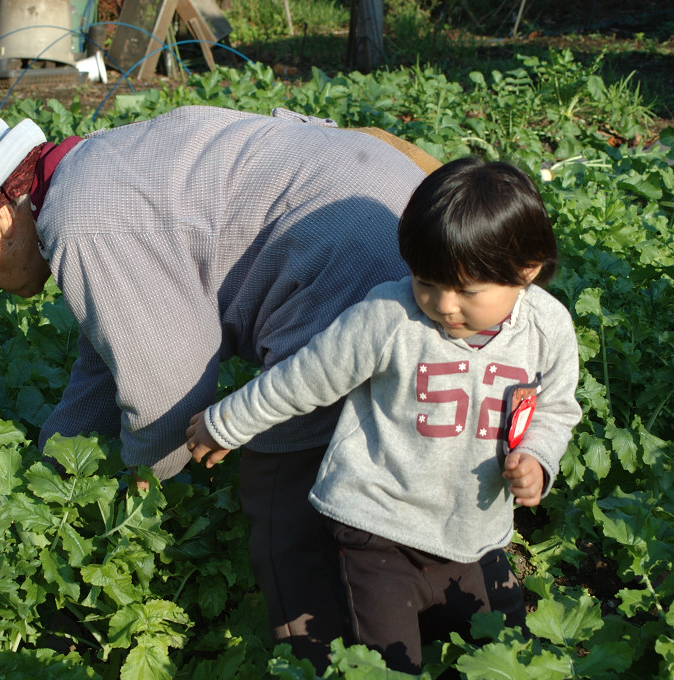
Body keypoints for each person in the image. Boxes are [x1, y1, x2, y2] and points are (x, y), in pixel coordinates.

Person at [0, 104, 440, 670]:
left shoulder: (82, 223)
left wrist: (138, 483)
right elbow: (109, 357)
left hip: (358, 265)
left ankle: (333, 663)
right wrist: (50, 469)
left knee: (286, 510)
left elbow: (169, 392)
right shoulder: (91, 171)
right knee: (414, 461)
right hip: (410, 216)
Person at [186, 156, 583, 673]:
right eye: (426, 280)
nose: (444, 304)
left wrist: (537, 457)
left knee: (507, 653)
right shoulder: (389, 316)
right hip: (375, 529)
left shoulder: (547, 328)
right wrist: (226, 423)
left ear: (526, 270)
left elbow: (555, 407)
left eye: (467, 291)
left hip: (471, 533)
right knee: (389, 666)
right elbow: (303, 378)